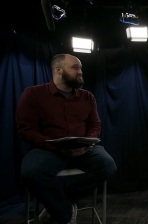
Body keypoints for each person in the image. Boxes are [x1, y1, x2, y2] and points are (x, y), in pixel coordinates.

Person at [16, 54, 117, 224]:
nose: (80, 72)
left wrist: (88, 143)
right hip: (49, 150)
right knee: (31, 172)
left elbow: (95, 125)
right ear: (58, 70)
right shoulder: (33, 94)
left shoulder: (87, 97)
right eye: (75, 67)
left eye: (81, 69)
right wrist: (55, 147)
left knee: (108, 166)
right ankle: (65, 213)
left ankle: (54, 201)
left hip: (84, 150)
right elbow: (26, 130)